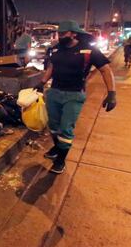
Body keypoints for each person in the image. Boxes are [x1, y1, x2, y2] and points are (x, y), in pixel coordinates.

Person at [36, 20, 116, 174]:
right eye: (59, 33)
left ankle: (60, 160)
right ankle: (57, 147)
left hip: (74, 95)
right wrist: (42, 82)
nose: (60, 36)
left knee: (65, 129)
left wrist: (111, 93)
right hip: (54, 93)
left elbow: (106, 70)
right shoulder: (56, 49)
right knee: (53, 126)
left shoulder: (89, 51)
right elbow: (52, 67)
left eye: (63, 33)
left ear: (74, 33)